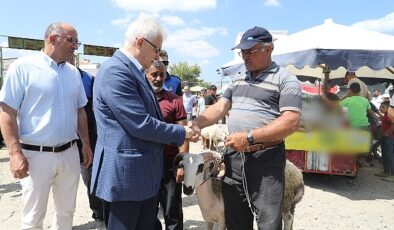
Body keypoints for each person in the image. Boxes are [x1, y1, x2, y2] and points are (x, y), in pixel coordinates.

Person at [90, 17, 198, 230]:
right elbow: (141, 124)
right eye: (156, 49)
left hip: (142, 177)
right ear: (140, 42)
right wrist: (182, 132)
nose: (158, 55)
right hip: (126, 179)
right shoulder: (115, 71)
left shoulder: (135, 72)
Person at [190, 26, 302, 230]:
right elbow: (221, 106)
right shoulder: (238, 77)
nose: (245, 56)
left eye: (251, 51)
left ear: (268, 49)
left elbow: (291, 121)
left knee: (268, 221)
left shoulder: (286, 80)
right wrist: (197, 123)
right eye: (243, 51)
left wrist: (250, 138)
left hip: (265, 159)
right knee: (236, 218)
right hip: (234, 159)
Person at [0, 22, 93, 229]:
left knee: (66, 212)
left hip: (69, 153)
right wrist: (15, 154)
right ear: (52, 38)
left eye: (77, 42)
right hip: (35, 156)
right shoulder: (23, 67)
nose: (75, 46)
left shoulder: (73, 73)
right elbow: (7, 112)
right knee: (33, 217)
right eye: (71, 41)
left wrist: (85, 144)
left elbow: (80, 111)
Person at [145, 60, 188, 230]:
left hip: (170, 164)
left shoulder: (175, 101)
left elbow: (183, 134)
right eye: (154, 74)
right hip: (146, 165)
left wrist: (181, 164)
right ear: (146, 75)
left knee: (173, 211)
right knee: (148, 212)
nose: (158, 78)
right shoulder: (139, 99)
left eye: (161, 75)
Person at [67, 55, 105, 229]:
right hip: (62, 138)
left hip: (88, 136)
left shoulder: (88, 78)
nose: (70, 59)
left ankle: (99, 211)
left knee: (91, 177)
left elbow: (94, 107)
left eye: (73, 57)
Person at [375, 101, 394, 182]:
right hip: (385, 137)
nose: (381, 108)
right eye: (380, 106)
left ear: (388, 107)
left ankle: (393, 175)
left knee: (390, 156)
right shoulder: (386, 114)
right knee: (385, 155)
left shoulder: (390, 113)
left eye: (383, 107)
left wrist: (387, 132)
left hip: (389, 138)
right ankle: (386, 172)